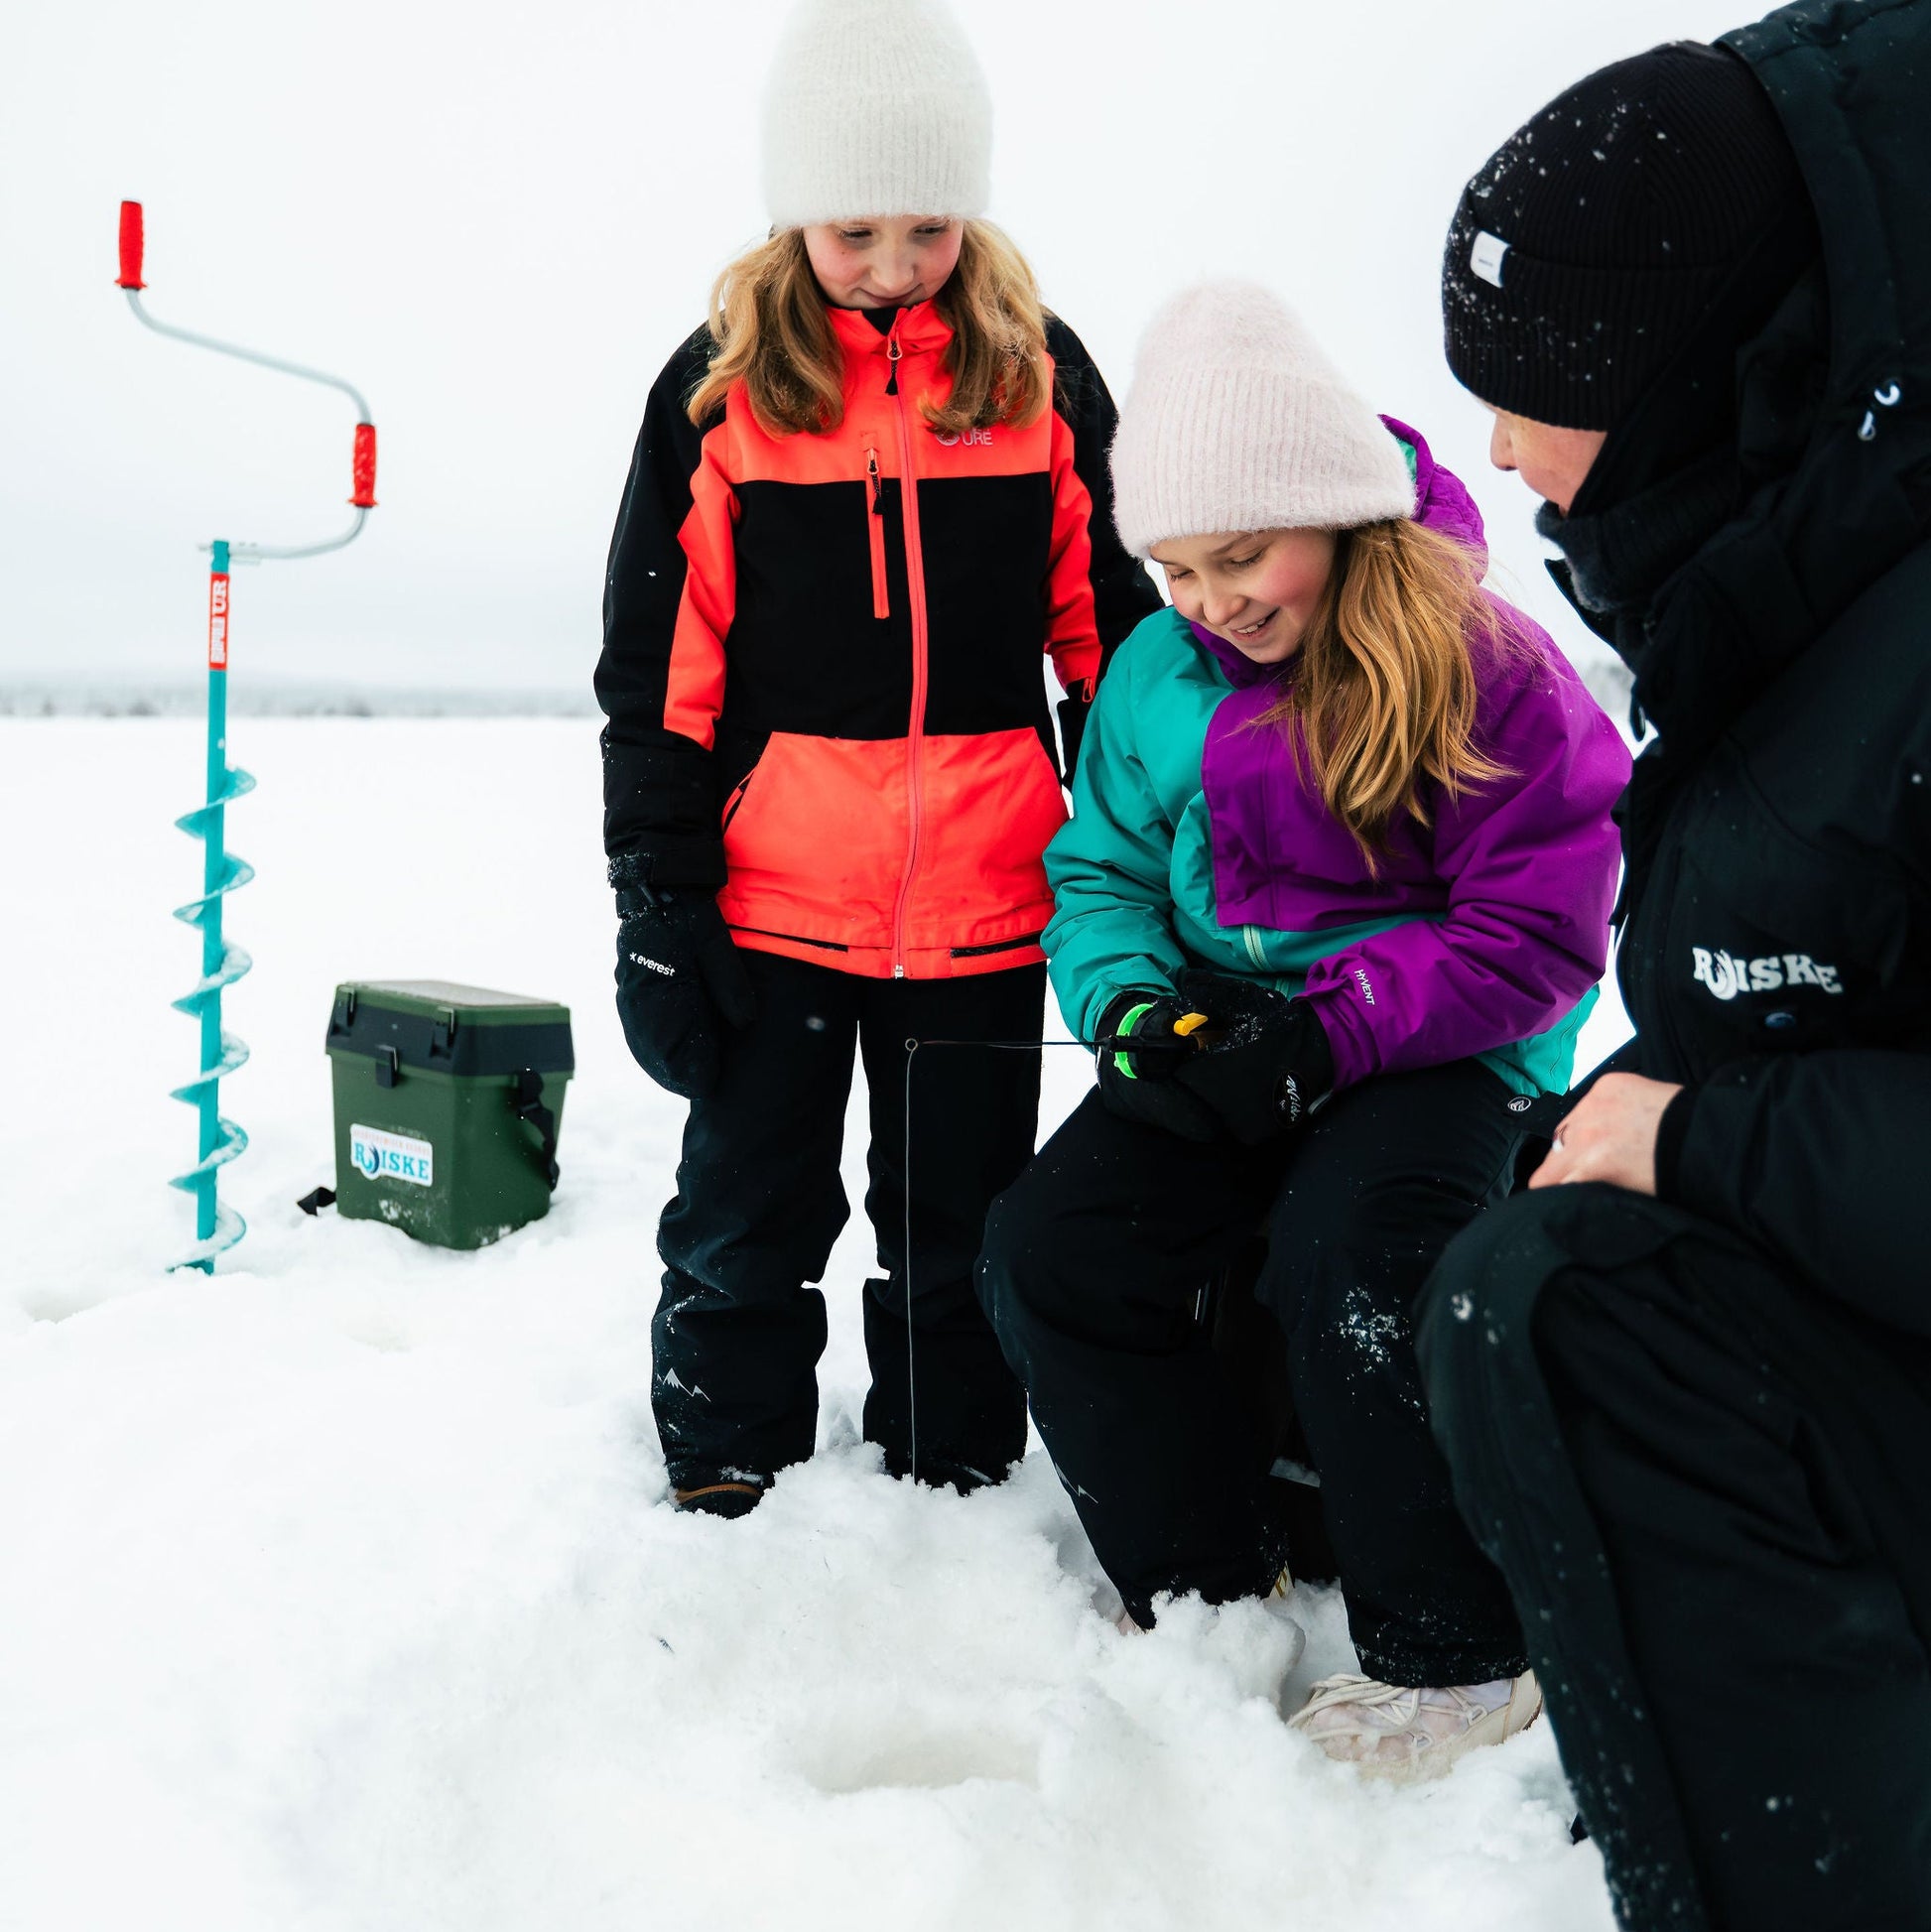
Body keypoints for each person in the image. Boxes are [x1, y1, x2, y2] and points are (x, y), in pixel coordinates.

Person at [1416, 5, 1931, 1924]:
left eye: (1539, 387)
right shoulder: (1797, 556)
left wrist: (1702, 1145)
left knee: (1563, 1311)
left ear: (1710, 372)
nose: (1500, 450)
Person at [974, 282, 1629, 1780]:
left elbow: (1531, 932)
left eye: (1245, 553)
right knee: (1055, 1249)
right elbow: (1104, 872)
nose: (1216, 599)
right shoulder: (1151, 673)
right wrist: (1135, 1011)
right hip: (1223, 1021)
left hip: (1440, 1042)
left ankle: (1452, 1654)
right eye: (1180, 567)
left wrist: (1326, 1036)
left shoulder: (1482, 664)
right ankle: (1203, 1588)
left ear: (1336, 514)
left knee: (1351, 1260)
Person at [593, 0, 1159, 1516]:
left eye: (929, 227)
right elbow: (661, 678)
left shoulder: (1036, 375)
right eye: (856, 230)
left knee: (961, 1219)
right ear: (793, 217)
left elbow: (1109, 641)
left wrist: (1146, 858)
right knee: (746, 1209)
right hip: (773, 902)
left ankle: (953, 1467)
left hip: (986, 897)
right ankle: (725, 1466)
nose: (896, 264)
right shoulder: (718, 389)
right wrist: (655, 895)